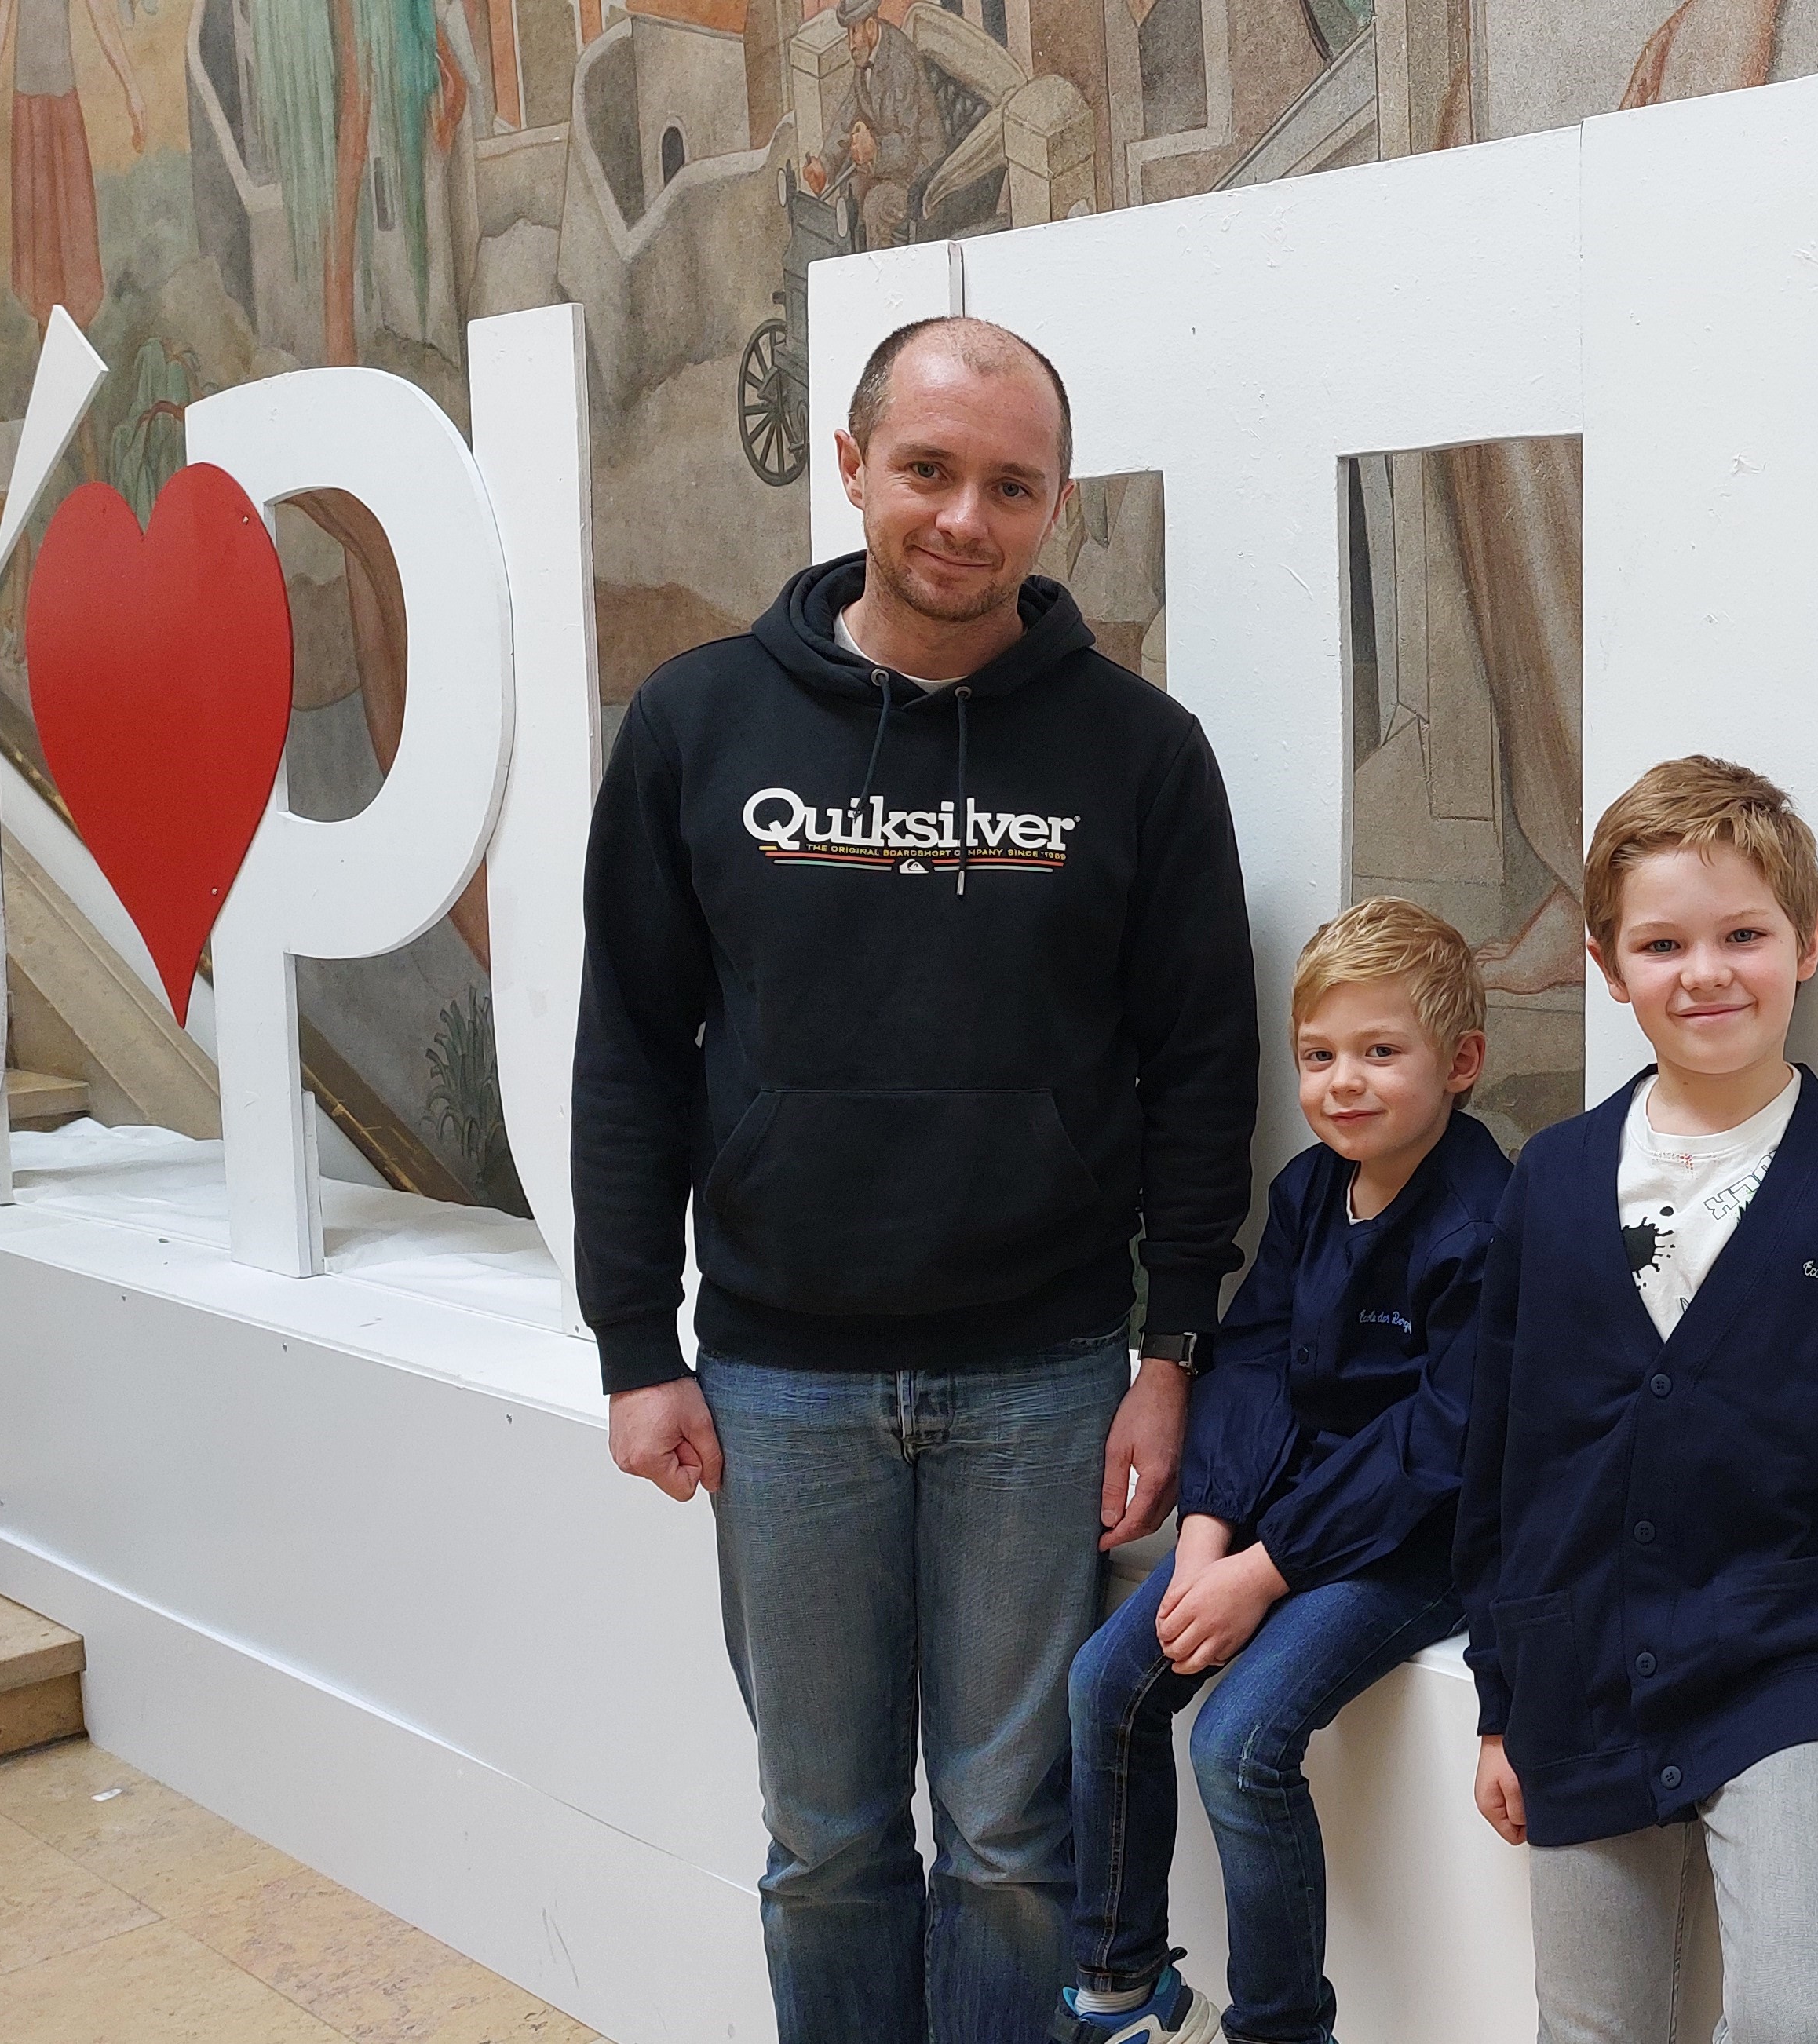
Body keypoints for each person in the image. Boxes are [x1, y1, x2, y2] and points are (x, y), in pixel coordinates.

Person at [574, 315, 1260, 2044]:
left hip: (1043, 1379)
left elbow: (1201, 1077)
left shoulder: (1140, 754)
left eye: (1011, 486)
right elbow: (632, 1049)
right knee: (823, 1844)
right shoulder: (699, 725)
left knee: (1018, 1841)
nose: (966, 518)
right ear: (853, 464)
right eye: (931, 471)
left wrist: (1167, 1354)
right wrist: (633, 1345)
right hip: (780, 1379)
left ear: (1058, 506)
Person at [1456, 756, 1818, 2042]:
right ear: (1607, 965)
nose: (1703, 971)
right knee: (1588, 2028)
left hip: (1798, 1677)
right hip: (1578, 1678)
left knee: (1796, 2021)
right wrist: (1502, 1696)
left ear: (1804, 942)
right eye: (1660, 942)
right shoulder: (1544, 1185)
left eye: (1741, 935)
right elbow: (1502, 1463)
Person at [1056, 896, 1510, 2044]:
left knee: (1239, 1745)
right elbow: (1253, 1364)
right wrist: (1206, 1533)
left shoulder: (1483, 1221)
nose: (1342, 1083)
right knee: (1108, 1682)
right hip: (1274, 1520)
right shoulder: (1311, 1188)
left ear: (1459, 1063)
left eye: (1379, 1053)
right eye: (1319, 1056)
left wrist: (1265, 1570)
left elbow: (1438, 1444)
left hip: (1412, 1545)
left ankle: (1279, 2028)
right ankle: (1121, 1986)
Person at [0, 0, 146, 332]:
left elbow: (101, 14)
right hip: (27, 107)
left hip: (62, 103)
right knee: (37, 241)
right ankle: (49, 348)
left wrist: (132, 89)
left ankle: (74, 348)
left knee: (74, 233)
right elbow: (2, 10)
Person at [804, 0, 949, 250]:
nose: (850, 43)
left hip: (920, 170)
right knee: (848, 192)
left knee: (876, 205)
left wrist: (875, 150)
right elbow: (848, 113)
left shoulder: (900, 62)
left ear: (870, 26)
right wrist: (825, 165)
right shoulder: (866, 57)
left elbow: (908, 147)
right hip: (888, 165)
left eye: (854, 32)